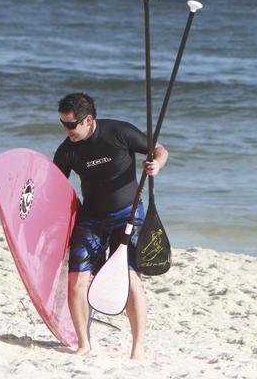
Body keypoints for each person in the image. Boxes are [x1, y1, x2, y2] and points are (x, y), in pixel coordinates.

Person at [52, 92, 168, 359]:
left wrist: (156, 165)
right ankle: (84, 344)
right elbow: (54, 185)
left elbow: (160, 150)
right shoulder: (67, 150)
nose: (66, 130)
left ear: (88, 120)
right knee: (76, 281)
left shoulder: (118, 132)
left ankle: (137, 348)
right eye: (62, 124)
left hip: (128, 215)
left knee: (128, 279)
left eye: (71, 124)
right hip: (91, 218)